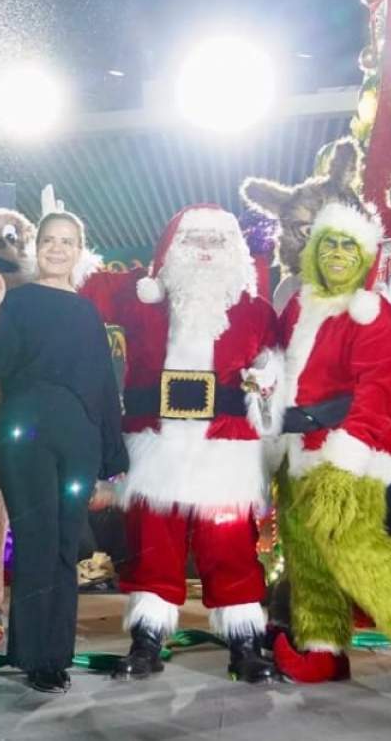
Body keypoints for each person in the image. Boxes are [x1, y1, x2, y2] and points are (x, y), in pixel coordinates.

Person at [269, 200, 391, 701]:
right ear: (313, 250)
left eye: (348, 245)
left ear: (365, 255)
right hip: (296, 452)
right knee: (308, 560)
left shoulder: (374, 310)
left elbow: (379, 393)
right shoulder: (296, 304)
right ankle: (321, 651)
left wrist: (349, 458)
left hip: (344, 453)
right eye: (328, 243)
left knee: (362, 555)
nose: (337, 254)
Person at [85, 205, 279, 685]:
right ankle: (147, 638)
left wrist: (268, 379)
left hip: (225, 448)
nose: (208, 251)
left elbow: (276, 364)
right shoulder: (141, 297)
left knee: (232, 546)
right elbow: (83, 289)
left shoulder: (254, 309)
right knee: (153, 543)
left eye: (218, 242)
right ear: (173, 248)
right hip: (158, 445)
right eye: (196, 241)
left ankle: (245, 642)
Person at [0, 211, 128, 694]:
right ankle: (34, 655)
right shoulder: (15, 301)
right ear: (35, 247)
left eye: (67, 241)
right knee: (37, 542)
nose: (57, 249)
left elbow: (104, 386)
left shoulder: (87, 312)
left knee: (65, 547)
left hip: (77, 441)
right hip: (26, 438)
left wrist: (112, 458)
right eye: (49, 240)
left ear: (79, 251)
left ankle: (53, 654)